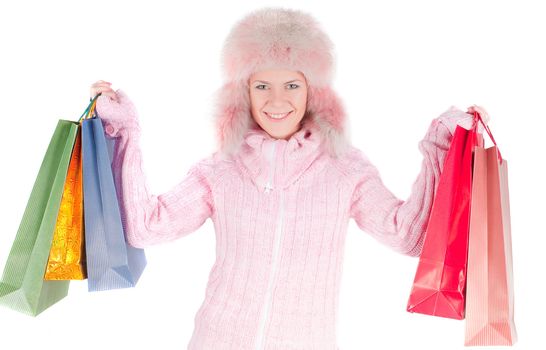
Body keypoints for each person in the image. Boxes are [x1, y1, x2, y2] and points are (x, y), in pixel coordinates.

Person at [89, 7, 490, 350]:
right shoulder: (221, 170)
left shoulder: (344, 169)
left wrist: (444, 144)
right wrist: (123, 130)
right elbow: (146, 228)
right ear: (243, 93)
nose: (276, 101)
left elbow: (410, 236)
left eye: (292, 85)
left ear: (312, 93)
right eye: (262, 85)